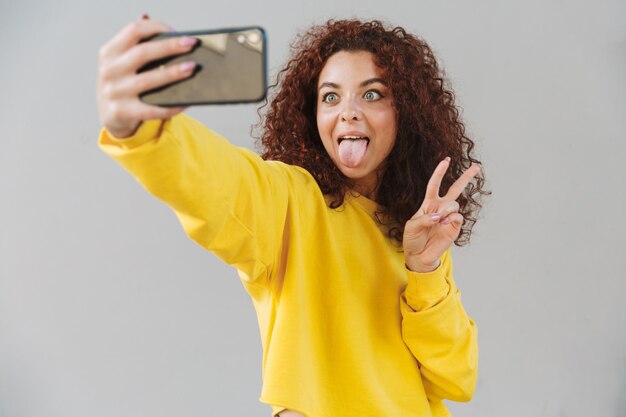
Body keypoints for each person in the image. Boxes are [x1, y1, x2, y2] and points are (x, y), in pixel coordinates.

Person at [97, 16, 488, 417]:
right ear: (312, 114)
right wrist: (141, 130)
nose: (348, 112)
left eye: (372, 95)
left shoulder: (417, 234)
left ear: (406, 111)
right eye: (330, 97)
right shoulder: (290, 204)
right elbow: (218, 184)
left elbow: (455, 379)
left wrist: (424, 270)